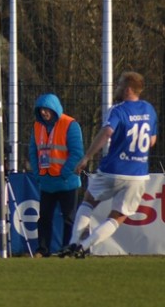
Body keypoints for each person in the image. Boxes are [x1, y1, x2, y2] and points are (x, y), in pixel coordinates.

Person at [60, 71, 158, 258]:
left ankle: (73, 242)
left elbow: (107, 133)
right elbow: (152, 141)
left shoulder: (118, 110)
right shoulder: (149, 109)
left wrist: (86, 157)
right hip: (138, 174)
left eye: (120, 84)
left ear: (128, 89)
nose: (117, 87)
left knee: (88, 201)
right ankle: (84, 246)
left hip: (113, 169)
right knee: (118, 216)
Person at [28, 93, 83, 257]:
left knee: (69, 218)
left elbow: (77, 153)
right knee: (44, 218)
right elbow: (33, 151)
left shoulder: (70, 124)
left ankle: (68, 249)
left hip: (67, 182)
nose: (43, 112)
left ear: (55, 109)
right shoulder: (37, 126)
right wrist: (37, 173)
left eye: (46, 109)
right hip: (47, 181)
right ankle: (42, 249)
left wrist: (64, 173)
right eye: (41, 110)